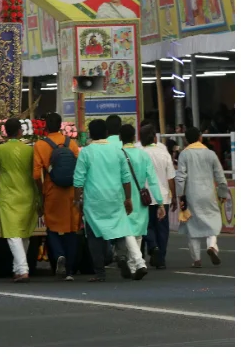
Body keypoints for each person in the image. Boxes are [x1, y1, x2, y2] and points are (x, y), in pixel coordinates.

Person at [73, 119, 146, 281]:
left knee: (94, 236)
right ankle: (121, 256)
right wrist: (128, 199)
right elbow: (126, 178)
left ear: (90, 134)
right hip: (115, 197)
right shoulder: (117, 150)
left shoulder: (86, 152)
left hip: (94, 200)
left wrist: (77, 200)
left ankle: (100, 273)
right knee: (119, 229)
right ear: (107, 133)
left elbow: (78, 180)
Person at [0, 118, 39, 282]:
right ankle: (18, 268)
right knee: (24, 234)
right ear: (20, 131)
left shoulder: (1, 150)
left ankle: (23, 269)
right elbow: (37, 175)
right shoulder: (29, 150)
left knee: (13, 235)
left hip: (10, 197)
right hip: (28, 195)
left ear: (5, 132)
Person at [33, 112, 81, 281]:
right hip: (70, 192)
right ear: (61, 126)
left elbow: (36, 175)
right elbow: (79, 170)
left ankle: (59, 255)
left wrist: (41, 193)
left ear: (45, 126)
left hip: (52, 191)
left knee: (52, 227)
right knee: (72, 229)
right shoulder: (72, 144)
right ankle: (69, 271)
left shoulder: (40, 145)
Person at [176, 126, 230, 267]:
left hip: (191, 194)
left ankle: (196, 260)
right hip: (209, 194)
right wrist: (222, 193)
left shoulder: (184, 154)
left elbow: (180, 177)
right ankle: (212, 246)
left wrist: (180, 195)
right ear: (200, 138)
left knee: (192, 226)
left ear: (186, 140)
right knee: (213, 221)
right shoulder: (211, 154)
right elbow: (220, 176)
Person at [121, 125, 165, 269]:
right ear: (134, 138)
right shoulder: (143, 155)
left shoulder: (118, 154)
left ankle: (136, 263)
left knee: (126, 230)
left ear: (120, 138)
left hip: (123, 197)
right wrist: (159, 202)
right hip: (141, 198)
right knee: (138, 232)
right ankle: (133, 265)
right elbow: (152, 180)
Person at [140, 123, 176, 268]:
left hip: (146, 197)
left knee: (147, 226)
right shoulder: (164, 154)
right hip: (163, 196)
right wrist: (174, 196)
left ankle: (153, 246)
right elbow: (170, 178)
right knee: (162, 229)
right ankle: (160, 258)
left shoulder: (140, 154)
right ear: (155, 138)